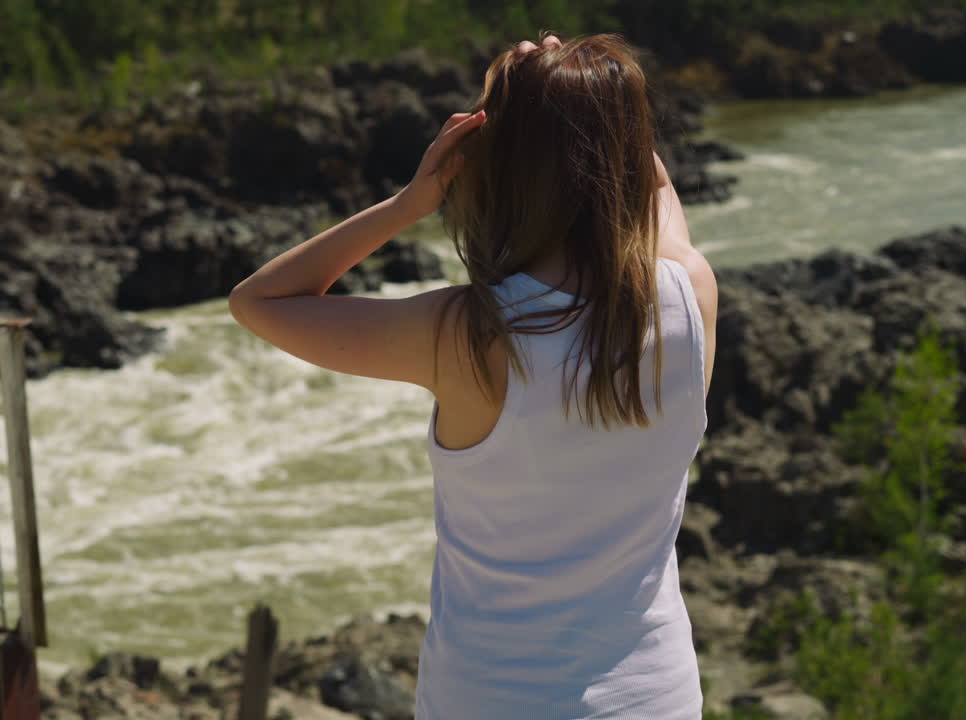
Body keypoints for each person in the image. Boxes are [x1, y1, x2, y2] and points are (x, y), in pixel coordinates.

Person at [229, 31, 717, 720]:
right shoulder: (689, 295)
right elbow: (650, 184)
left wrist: (410, 202)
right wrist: (587, 93)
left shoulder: (469, 333)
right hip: (653, 696)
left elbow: (259, 302)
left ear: (491, 164)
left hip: (491, 698)